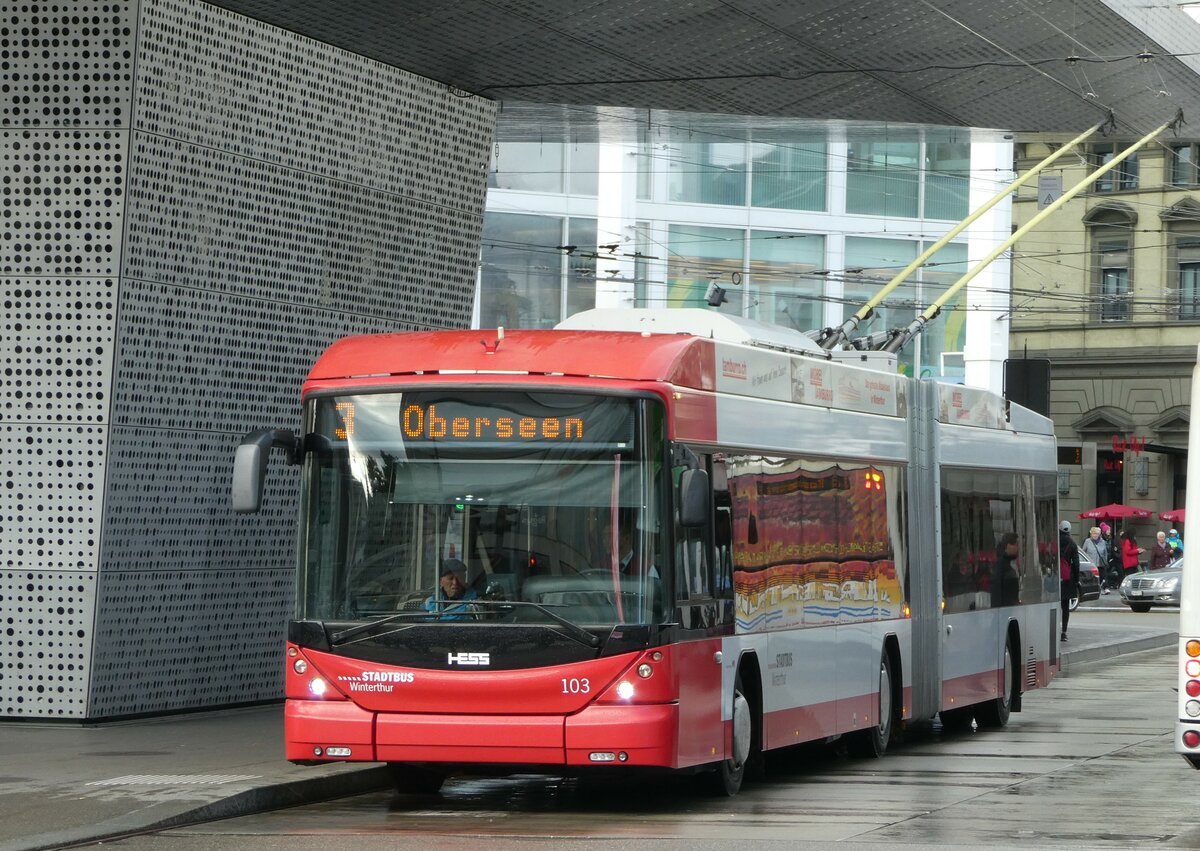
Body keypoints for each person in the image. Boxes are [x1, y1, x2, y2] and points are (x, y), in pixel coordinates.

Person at [1059, 521, 1079, 641]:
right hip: (1066, 578)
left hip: (1053, 576)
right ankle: (1064, 632)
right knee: (1065, 606)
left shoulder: (1054, 540)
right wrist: (1076, 579)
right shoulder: (1072, 543)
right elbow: (1076, 564)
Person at [995, 532, 1021, 607]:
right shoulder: (1005, 567)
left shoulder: (1007, 563)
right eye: (1015, 544)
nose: (1017, 547)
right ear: (1007, 546)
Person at [1080, 526, 1109, 593]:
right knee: (1092, 577)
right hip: (1091, 563)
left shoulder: (1103, 542)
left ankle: (1105, 588)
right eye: (1093, 534)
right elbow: (1083, 551)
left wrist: (1105, 560)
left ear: (1099, 534)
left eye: (1096, 534)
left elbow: (1105, 553)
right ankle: (1094, 589)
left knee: (1103, 575)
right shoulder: (1087, 541)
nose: (1094, 535)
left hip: (1100, 563)